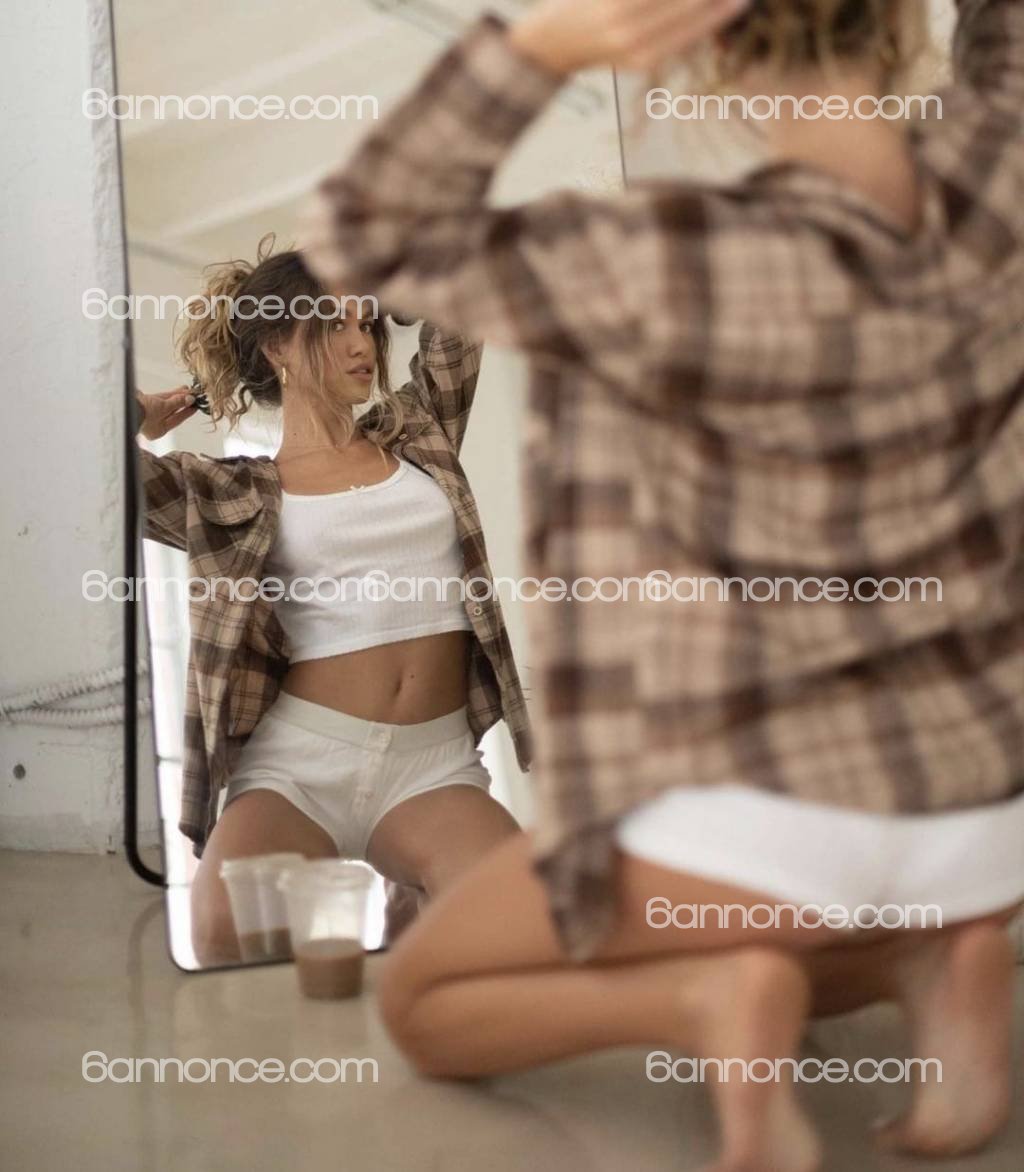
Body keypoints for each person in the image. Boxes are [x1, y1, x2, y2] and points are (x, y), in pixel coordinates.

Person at [298, 1, 1024, 1168]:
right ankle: (932, 954)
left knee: (426, 1000)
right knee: (822, 914)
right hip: (986, 816)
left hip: (767, 819)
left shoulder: (661, 250)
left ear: (709, 44)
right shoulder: (999, 179)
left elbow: (365, 233)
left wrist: (539, 49)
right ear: (896, 25)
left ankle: (706, 1001)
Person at [135, 235, 531, 964]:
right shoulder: (230, 490)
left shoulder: (417, 431)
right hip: (300, 767)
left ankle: (408, 924)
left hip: (433, 766)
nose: (361, 345)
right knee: (225, 932)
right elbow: (91, 471)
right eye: (334, 324)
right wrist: (144, 415)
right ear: (278, 346)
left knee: (520, 921)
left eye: (367, 324)